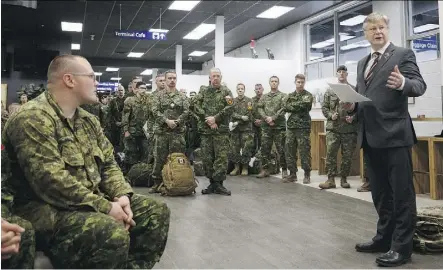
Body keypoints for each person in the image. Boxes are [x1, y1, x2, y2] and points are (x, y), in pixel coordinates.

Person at [2, 55, 170, 269]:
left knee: (156, 212)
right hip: (44, 208)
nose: (96, 82)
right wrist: (106, 207)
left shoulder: (88, 120)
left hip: (87, 200)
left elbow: (109, 163)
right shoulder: (33, 117)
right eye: (91, 76)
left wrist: (121, 195)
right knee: (110, 231)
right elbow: (51, 182)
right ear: (70, 80)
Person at [343, 13, 426, 267]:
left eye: (381, 27)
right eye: (372, 29)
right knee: (380, 194)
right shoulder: (362, 62)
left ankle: (402, 248)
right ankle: (384, 237)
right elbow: (364, 97)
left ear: (387, 30)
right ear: (366, 34)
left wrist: (403, 83)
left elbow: (419, 85)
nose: (377, 32)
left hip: (395, 136)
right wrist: (350, 107)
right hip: (369, 137)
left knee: (401, 194)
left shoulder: (403, 55)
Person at [193, 67, 234, 195]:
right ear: (209, 78)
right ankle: (212, 183)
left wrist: (216, 118)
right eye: (213, 76)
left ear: (221, 77)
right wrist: (208, 119)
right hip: (206, 131)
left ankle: (219, 184)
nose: (215, 78)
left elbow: (231, 106)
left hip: (221, 131)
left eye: (218, 76)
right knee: (207, 158)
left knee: (221, 158)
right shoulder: (203, 91)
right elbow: (195, 105)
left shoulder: (226, 91)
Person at [149, 70, 189, 193]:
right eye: (169, 78)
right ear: (165, 80)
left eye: (174, 78)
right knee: (159, 158)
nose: (172, 80)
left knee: (177, 158)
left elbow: (186, 111)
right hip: (162, 132)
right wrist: (166, 121)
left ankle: (176, 181)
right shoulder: (158, 96)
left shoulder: (182, 96)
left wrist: (177, 122)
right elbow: (155, 111)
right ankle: (157, 183)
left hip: (177, 133)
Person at [318, 65, 358, 189]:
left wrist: (353, 117)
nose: (341, 74)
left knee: (347, 155)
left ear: (347, 74)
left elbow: (360, 108)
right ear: (336, 74)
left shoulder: (353, 89)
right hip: (333, 128)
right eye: (339, 72)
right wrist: (330, 115)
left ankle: (344, 179)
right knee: (330, 154)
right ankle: (330, 180)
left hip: (349, 128)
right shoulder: (330, 90)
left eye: (344, 72)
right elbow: (324, 107)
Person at [282, 74, 313, 184]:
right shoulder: (289, 95)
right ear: (295, 82)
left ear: (304, 83)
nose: (300, 84)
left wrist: (292, 106)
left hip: (303, 127)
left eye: (302, 82)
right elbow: (285, 106)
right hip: (291, 127)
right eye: (298, 82)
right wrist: (297, 106)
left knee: (304, 151)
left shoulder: (308, 95)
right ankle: (293, 174)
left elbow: (305, 105)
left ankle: (307, 174)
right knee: (290, 150)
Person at [256, 76, 288, 178]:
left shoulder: (283, 96)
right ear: (269, 83)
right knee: (265, 149)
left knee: (281, 149)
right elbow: (259, 108)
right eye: (272, 81)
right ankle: (265, 170)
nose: (274, 83)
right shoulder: (264, 97)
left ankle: (284, 170)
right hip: (266, 127)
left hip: (279, 127)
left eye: (276, 81)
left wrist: (273, 118)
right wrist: (266, 118)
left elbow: (284, 108)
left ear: (278, 83)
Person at [229, 83, 254, 176]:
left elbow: (249, 115)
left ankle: (245, 167)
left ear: (244, 90)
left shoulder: (249, 101)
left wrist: (238, 120)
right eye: (238, 89)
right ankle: (236, 168)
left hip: (246, 129)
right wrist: (241, 117)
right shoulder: (232, 101)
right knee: (234, 149)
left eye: (242, 89)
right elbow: (231, 113)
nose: (240, 90)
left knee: (246, 148)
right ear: (236, 90)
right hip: (235, 129)